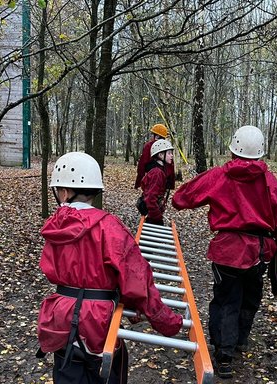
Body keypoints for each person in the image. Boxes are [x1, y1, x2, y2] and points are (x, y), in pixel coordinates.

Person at [37, 152, 183, 383]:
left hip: (61, 318)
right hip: (99, 322)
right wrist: (168, 322)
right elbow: (136, 279)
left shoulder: (54, 227)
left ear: (63, 192)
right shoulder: (109, 227)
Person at [171, 125, 277, 379]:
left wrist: (201, 186)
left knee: (227, 299)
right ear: (261, 153)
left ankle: (224, 354)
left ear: (233, 150)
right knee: (249, 297)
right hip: (259, 254)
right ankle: (237, 342)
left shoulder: (219, 176)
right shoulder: (270, 182)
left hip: (227, 252)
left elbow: (181, 198)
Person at [139, 139, 174, 226]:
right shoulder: (157, 173)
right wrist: (157, 217)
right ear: (161, 155)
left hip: (153, 214)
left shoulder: (160, 171)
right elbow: (150, 198)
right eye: (169, 153)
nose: (172, 156)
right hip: (153, 216)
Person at [135, 123, 176, 190]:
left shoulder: (149, 146)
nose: (151, 136)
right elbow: (171, 167)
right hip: (164, 182)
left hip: (152, 180)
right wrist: (170, 185)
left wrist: (138, 183)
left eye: (152, 134)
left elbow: (141, 166)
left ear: (156, 136)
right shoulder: (167, 146)